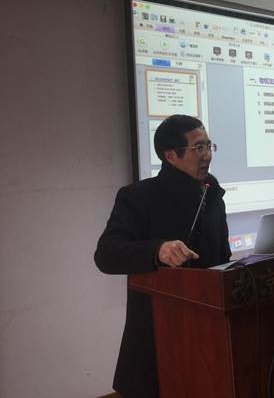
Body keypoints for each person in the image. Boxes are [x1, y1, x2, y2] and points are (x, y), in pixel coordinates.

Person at [94, 114, 231, 398]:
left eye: (209, 146)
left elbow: (223, 255)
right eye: (198, 148)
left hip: (210, 329)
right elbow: (106, 254)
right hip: (159, 334)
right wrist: (157, 250)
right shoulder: (138, 196)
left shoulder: (212, 194)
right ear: (171, 155)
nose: (207, 155)